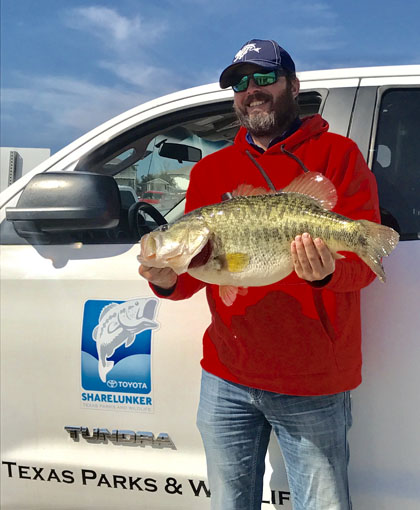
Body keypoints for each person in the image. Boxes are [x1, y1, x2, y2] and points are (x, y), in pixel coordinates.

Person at [139, 39, 380, 510]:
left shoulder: (339, 154)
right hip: (226, 377)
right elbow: (201, 269)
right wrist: (166, 280)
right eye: (241, 84)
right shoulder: (211, 170)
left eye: (265, 78)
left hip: (312, 380)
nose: (252, 90)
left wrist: (325, 274)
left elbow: (364, 267)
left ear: (293, 85)